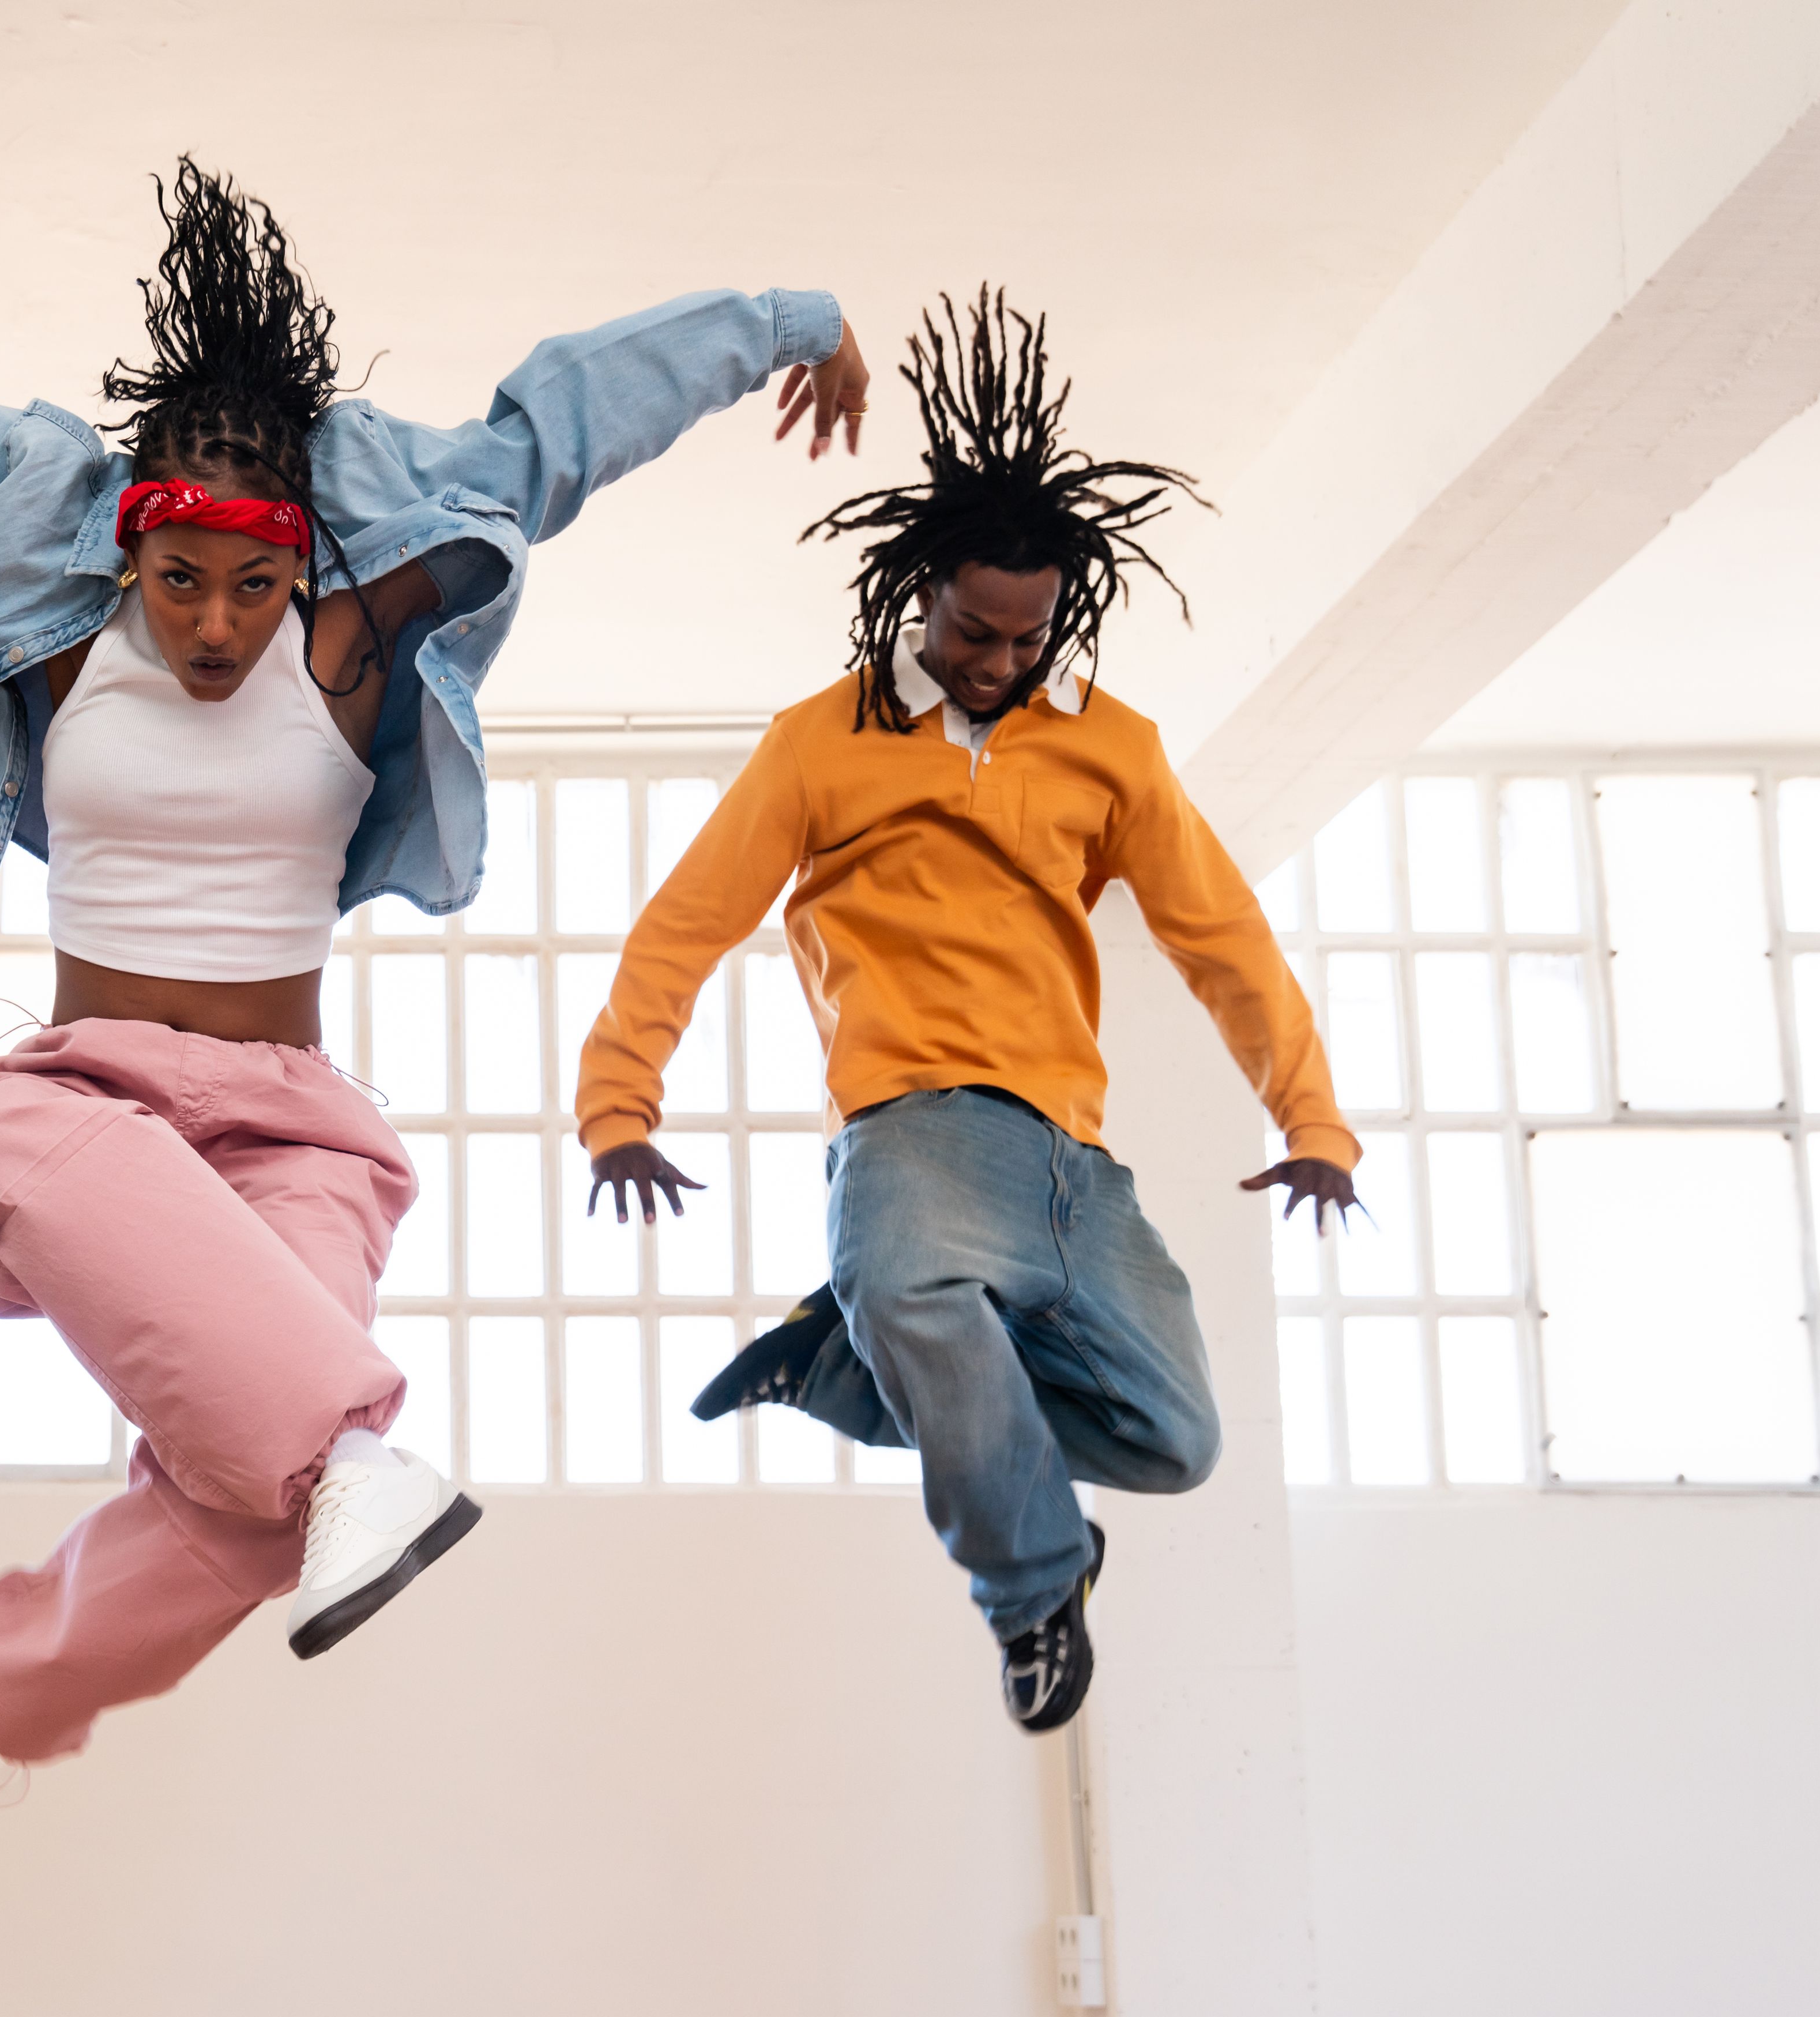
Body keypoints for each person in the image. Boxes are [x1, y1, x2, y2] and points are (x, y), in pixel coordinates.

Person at [0, 161, 875, 1818]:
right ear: (127, 543)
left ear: (301, 567)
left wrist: (783, 325)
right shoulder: (48, 616)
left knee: (264, 1503)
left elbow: (559, 428)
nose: (210, 627)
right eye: (178, 580)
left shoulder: (358, 624)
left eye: (249, 587)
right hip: (91, 1102)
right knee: (15, 1156)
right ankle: (357, 1451)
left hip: (296, 1133)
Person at [572, 291, 1357, 1736]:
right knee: (916, 1286)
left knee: (1174, 1443)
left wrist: (1311, 1117)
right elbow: (690, 921)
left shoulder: (1107, 749)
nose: (998, 664)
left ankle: (862, 1368)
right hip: (918, 1132)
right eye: (971, 632)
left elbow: (1219, 934)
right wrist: (620, 1102)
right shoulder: (823, 742)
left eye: (1027, 638)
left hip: (1073, 1164)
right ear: (913, 592)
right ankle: (1031, 1584)